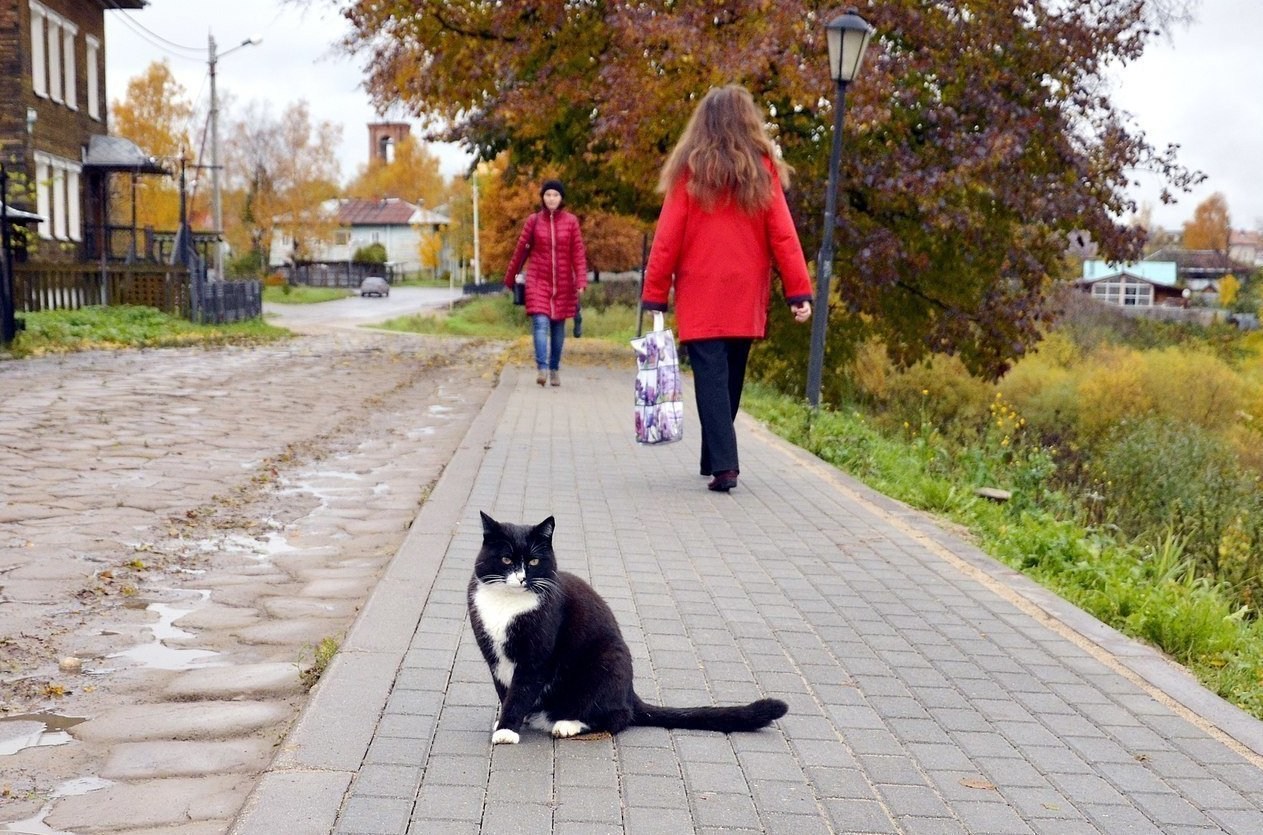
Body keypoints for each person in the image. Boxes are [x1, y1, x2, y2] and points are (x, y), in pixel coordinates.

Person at [641, 85, 814, 492]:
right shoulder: (762, 169)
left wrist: (654, 293)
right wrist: (797, 291)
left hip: (700, 294)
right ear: (747, 121)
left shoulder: (689, 171)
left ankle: (720, 461)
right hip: (745, 292)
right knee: (730, 379)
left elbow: (667, 236)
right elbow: (783, 235)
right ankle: (721, 461)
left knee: (714, 379)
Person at [504, 179, 588, 387]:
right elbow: (520, 250)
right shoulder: (533, 221)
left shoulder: (571, 222)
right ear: (543, 197)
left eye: (555, 195)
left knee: (558, 328)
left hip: (563, 284)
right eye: (548, 195)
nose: (551, 198)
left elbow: (578, 253)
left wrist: (581, 281)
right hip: (537, 281)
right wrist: (510, 278)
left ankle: (554, 369)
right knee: (540, 324)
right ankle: (542, 368)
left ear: (561, 199)